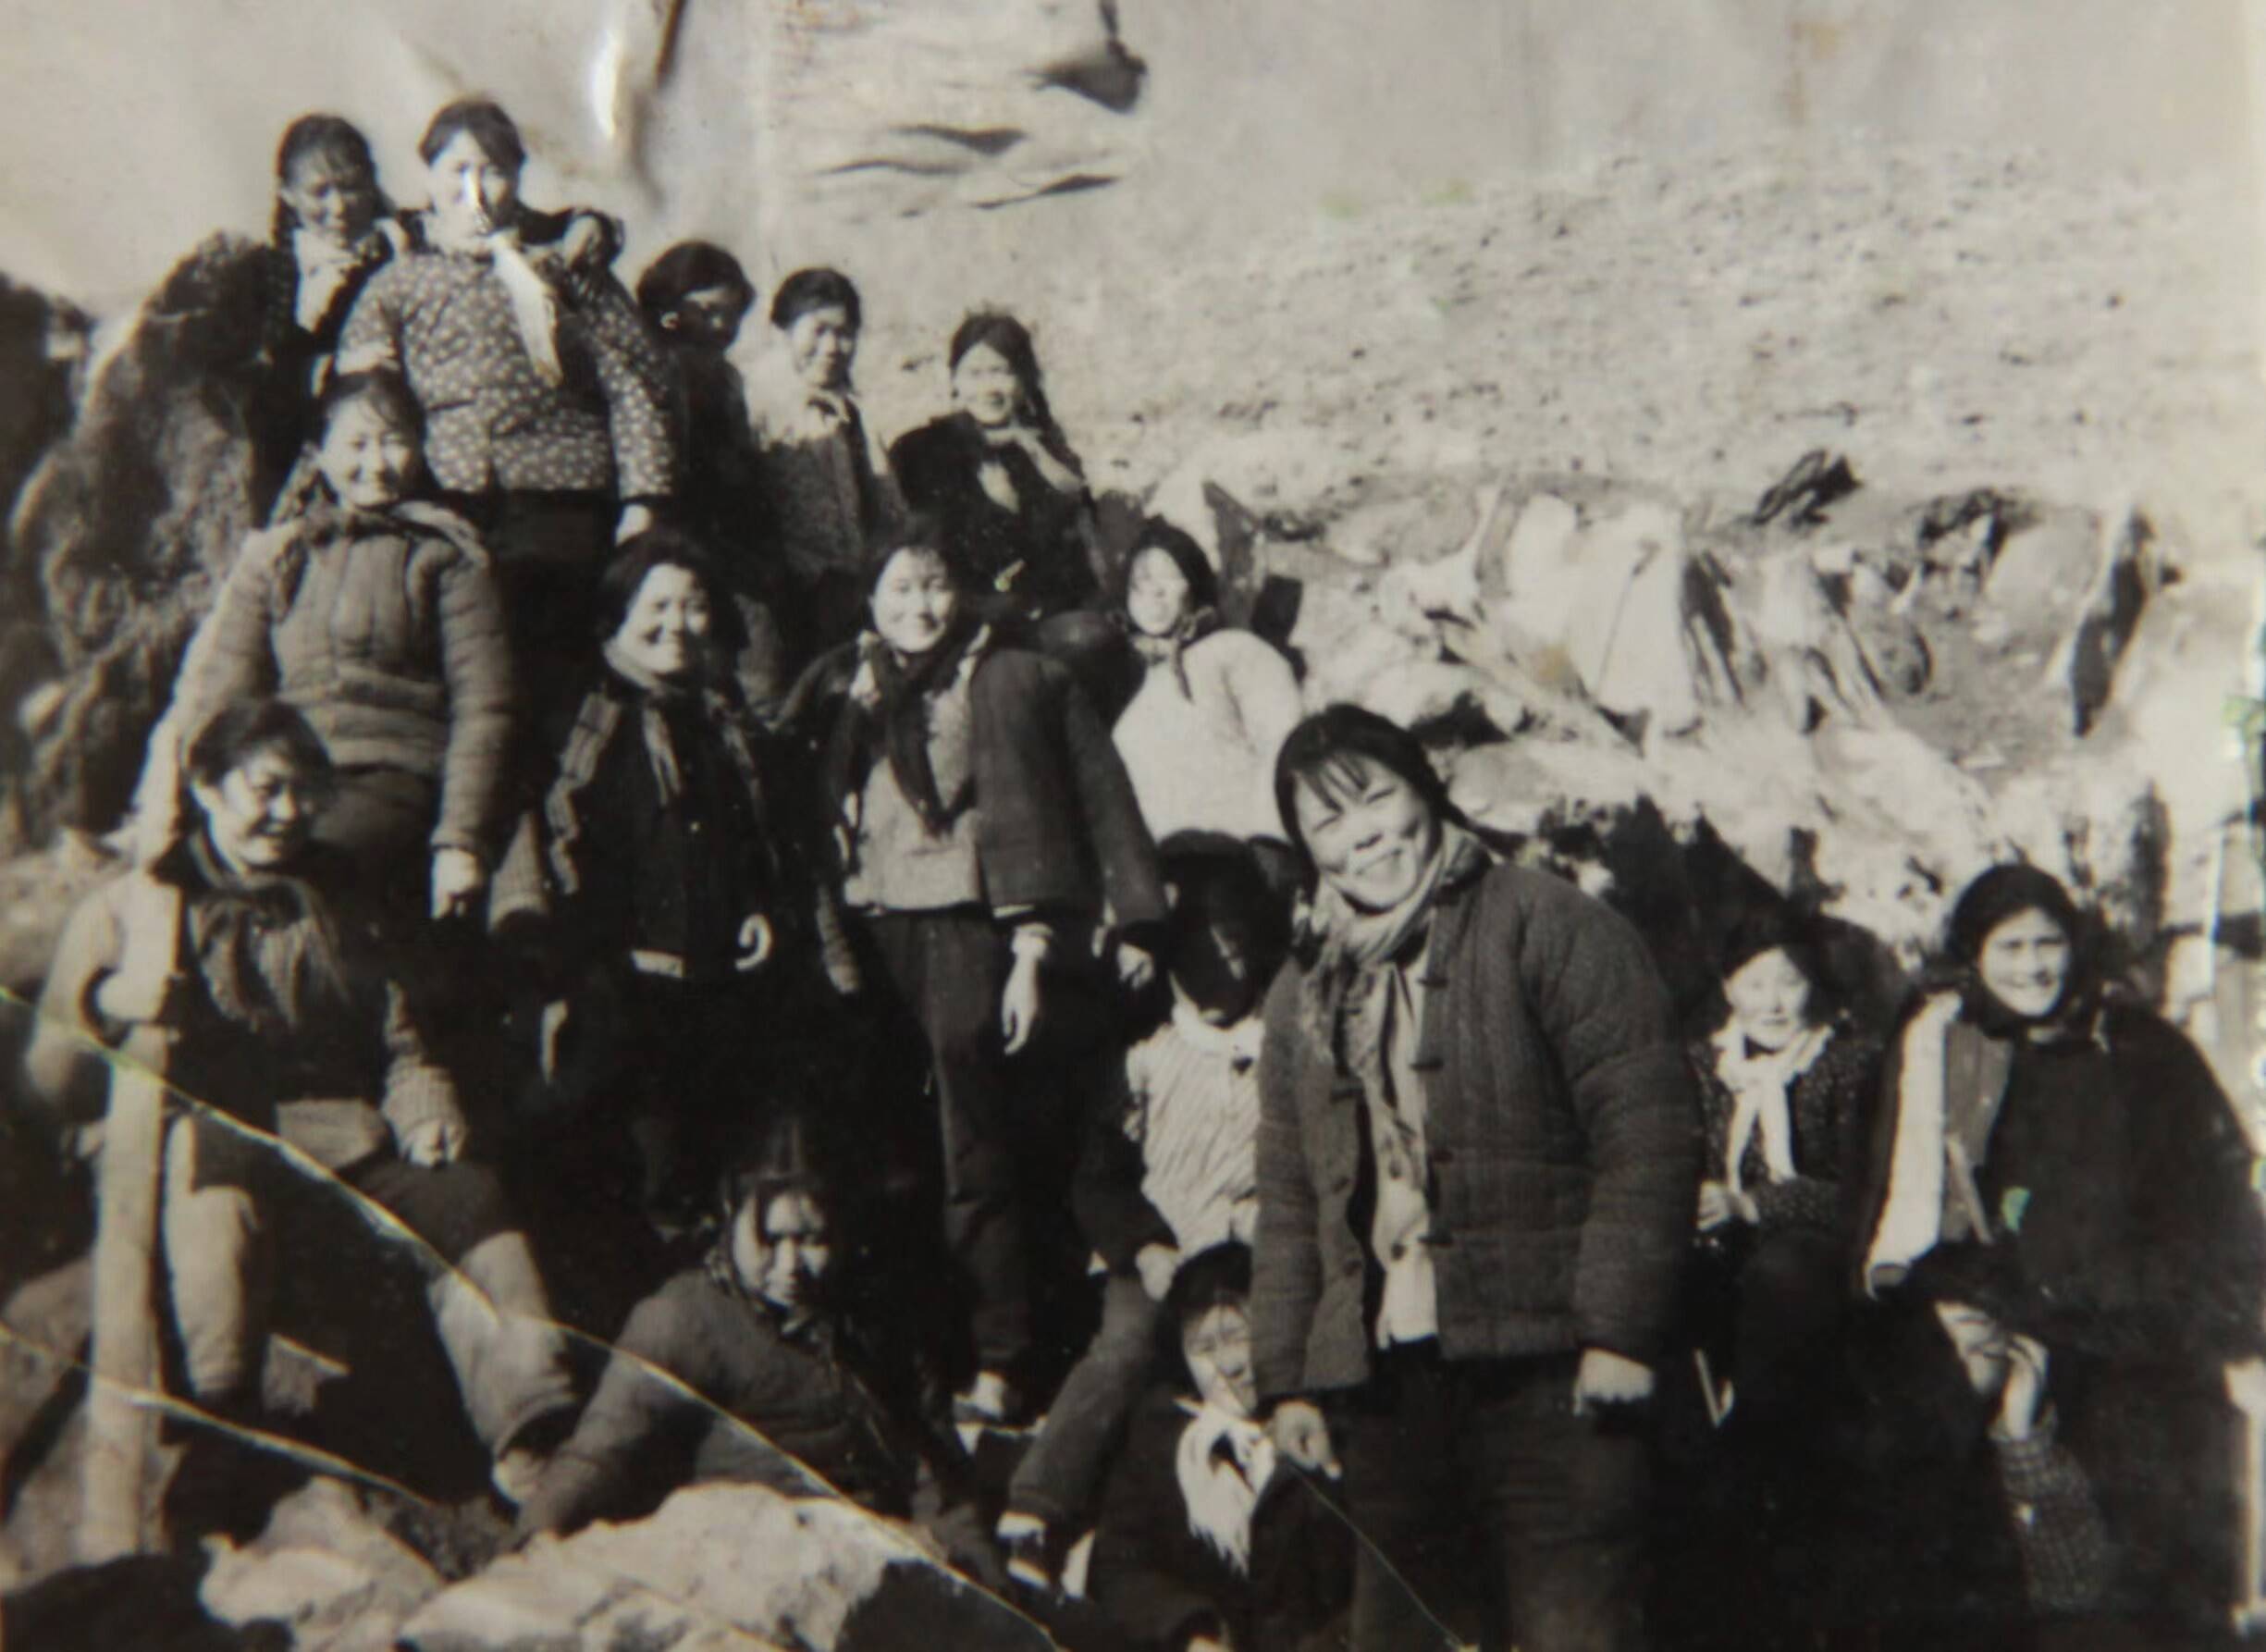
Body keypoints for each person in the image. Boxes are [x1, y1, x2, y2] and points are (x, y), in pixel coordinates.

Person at [24, 699, 577, 1509]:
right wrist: (107, 1002)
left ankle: (533, 1431)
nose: (288, 813)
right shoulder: (134, 907)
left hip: (340, 1134)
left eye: (305, 792)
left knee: (470, 1200)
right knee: (214, 1182)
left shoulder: (339, 891)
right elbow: (52, 1085)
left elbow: (399, 1037)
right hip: (205, 1138)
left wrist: (427, 1108)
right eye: (267, 789)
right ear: (207, 788)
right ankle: (220, 1422)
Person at [1251, 704, 1700, 1652]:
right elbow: (1291, 1195)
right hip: (1389, 1386)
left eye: (1377, 798)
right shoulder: (1304, 989)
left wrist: (1618, 1328)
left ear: (1426, 788)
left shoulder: (1547, 922)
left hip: (1552, 1371)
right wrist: (1290, 1381)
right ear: (1305, 847)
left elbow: (1646, 1130)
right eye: (1327, 820)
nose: (1364, 835)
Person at [786, 535, 1166, 1424]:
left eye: (934, 586)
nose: (918, 607)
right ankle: (908, 1350)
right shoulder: (846, 685)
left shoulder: (1006, 678)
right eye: (898, 589)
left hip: (965, 925)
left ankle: (1002, 1355)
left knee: (972, 1142)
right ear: (870, 602)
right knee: (887, 1143)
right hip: (870, 925)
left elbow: (1082, 800)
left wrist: (1054, 941)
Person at [1854, 863, 2266, 1631]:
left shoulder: (2137, 1044)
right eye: (2010, 947)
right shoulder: (1952, 1046)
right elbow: (1907, 1193)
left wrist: (2143, 1296)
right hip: (2001, 1295)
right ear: (1974, 955)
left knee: (2142, 1487)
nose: (2033, 966)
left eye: (2047, 943)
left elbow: (2211, 1192)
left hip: (2131, 1311)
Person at [511, 1116, 1000, 1587]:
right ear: (731, 1210)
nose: (790, 1266)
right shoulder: (685, 1319)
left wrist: (982, 1576)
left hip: (869, 1563)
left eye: (811, 1240)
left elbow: (938, 1476)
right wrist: (533, 1542)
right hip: (744, 1566)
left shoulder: (877, 1320)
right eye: (770, 1240)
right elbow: (599, 1455)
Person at [998, 832, 1289, 1590]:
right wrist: (1143, 1245)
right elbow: (1098, 1180)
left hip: (1252, 1259)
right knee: (1126, 1349)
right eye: (1196, 945)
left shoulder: (1286, 1045)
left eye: (1233, 942)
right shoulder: (1148, 1052)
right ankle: (1040, 1505)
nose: (1218, 963)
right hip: (1164, 1253)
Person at [490, 531, 788, 1230]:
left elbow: (746, 827)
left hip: (707, 977)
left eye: (693, 606)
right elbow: (555, 837)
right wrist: (573, 964)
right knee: (624, 1157)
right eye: (657, 606)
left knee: (701, 1149)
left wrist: (753, 905)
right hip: (615, 982)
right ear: (619, 614)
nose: (675, 624)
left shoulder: (715, 715)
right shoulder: (586, 713)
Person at [145, 368, 511, 931]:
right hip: (285, 774)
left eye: (393, 441)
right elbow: (226, 690)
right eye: (357, 444)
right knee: (172, 881)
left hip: (391, 779)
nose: (377, 463)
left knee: (301, 875)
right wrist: (208, 797)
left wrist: (459, 839)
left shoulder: (449, 560)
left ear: (420, 450)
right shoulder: (279, 555)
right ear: (319, 455)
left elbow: (485, 709)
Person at [338, 97, 677, 695]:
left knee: (563, 676)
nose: (475, 190)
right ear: (429, 178)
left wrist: (642, 502)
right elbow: (363, 397)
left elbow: (636, 385)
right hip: (447, 502)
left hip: (563, 502)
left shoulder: (565, 269)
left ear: (518, 178)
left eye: (493, 171)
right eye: (457, 171)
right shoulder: (398, 282)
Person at [1084, 1242, 1352, 1652]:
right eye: (1204, 1348)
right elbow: (1121, 1565)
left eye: (1240, 1336)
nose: (1229, 1365)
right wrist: (1191, 1629)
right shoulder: (1164, 1439)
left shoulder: (1331, 1426)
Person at [1686, 912, 1878, 1431]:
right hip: (1718, 1242)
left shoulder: (1849, 1063)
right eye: (1754, 985)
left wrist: (1752, 1205)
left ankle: (1762, 1440)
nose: (1772, 1004)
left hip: (1812, 1251)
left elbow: (1862, 1191)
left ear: (1813, 984)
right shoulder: (1703, 1065)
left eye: (1789, 983)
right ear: (1728, 989)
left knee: (1783, 1278)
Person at [633, 240, 788, 720]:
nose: (722, 325)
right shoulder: (665, 364)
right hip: (693, 536)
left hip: (728, 540)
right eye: (707, 311)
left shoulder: (722, 373)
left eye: (732, 313)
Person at [889, 312, 1100, 624]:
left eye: (1001, 372)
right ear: (954, 380)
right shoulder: (920, 449)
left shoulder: (1046, 451)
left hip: (1045, 614)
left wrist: (1013, 503)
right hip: (953, 615)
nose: (989, 388)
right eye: (975, 374)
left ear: (1025, 380)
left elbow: (1068, 559)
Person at [1107, 519, 1303, 842]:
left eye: (1170, 576)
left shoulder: (1234, 650)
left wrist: (1271, 838)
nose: (1155, 591)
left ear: (1194, 582)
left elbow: (1284, 742)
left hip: (1253, 846)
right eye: (1140, 582)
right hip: (1182, 862)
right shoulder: (1129, 705)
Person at [747, 266, 901, 665]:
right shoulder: (758, 410)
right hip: (789, 598)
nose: (832, 347)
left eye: (844, 333)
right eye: (818, 331)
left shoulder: (854, 412)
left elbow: (887, 507)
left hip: (851, 591)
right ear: (782, 333)